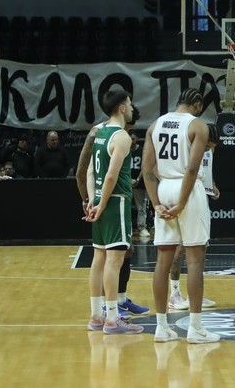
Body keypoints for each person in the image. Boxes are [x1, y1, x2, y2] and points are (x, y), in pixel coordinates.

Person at [142, 88, 220, 343]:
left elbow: (146, 169)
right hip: (188, 190)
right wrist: (183, 201)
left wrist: (156, 203)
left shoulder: (155, 124)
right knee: (195, 260)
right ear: (197, 104)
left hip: (163, 188)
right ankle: (196, 328)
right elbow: (192, 168)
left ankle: (161, 327)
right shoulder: (198, 126)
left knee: (162, 261)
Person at [77, 106, 149, 322]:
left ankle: (98, 315)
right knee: (114, 260)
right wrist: (96, 202)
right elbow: (107, 176)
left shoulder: (99, 132)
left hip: (99, 198)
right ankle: (112, 315)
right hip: (114, 200)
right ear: (123, 109)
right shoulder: (119, 136)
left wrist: (92, 200)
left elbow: (89, 171)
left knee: (100, 258)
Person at [166, 123, 221, 313]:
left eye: (213, 147)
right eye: (208, 145)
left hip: (199, 196)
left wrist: (211, 185)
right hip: (182, 195)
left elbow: (203, 170)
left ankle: (194, 293)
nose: (210, 150)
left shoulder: (206, 150)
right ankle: (174, 294)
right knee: (180, 247)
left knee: (200, 247)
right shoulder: (184, 149)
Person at [129, 131, 151, 238]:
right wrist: (128, 180)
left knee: (141, 207)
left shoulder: (142, 151)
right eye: (130, 139)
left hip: (139, 183)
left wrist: (137, 179)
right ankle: (127, 229)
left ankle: (142, 228)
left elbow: (145, 166)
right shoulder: (124, 150)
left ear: (137, 138)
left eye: (133, 139)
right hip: (126, 183)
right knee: (125, 207)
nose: (131, 141)